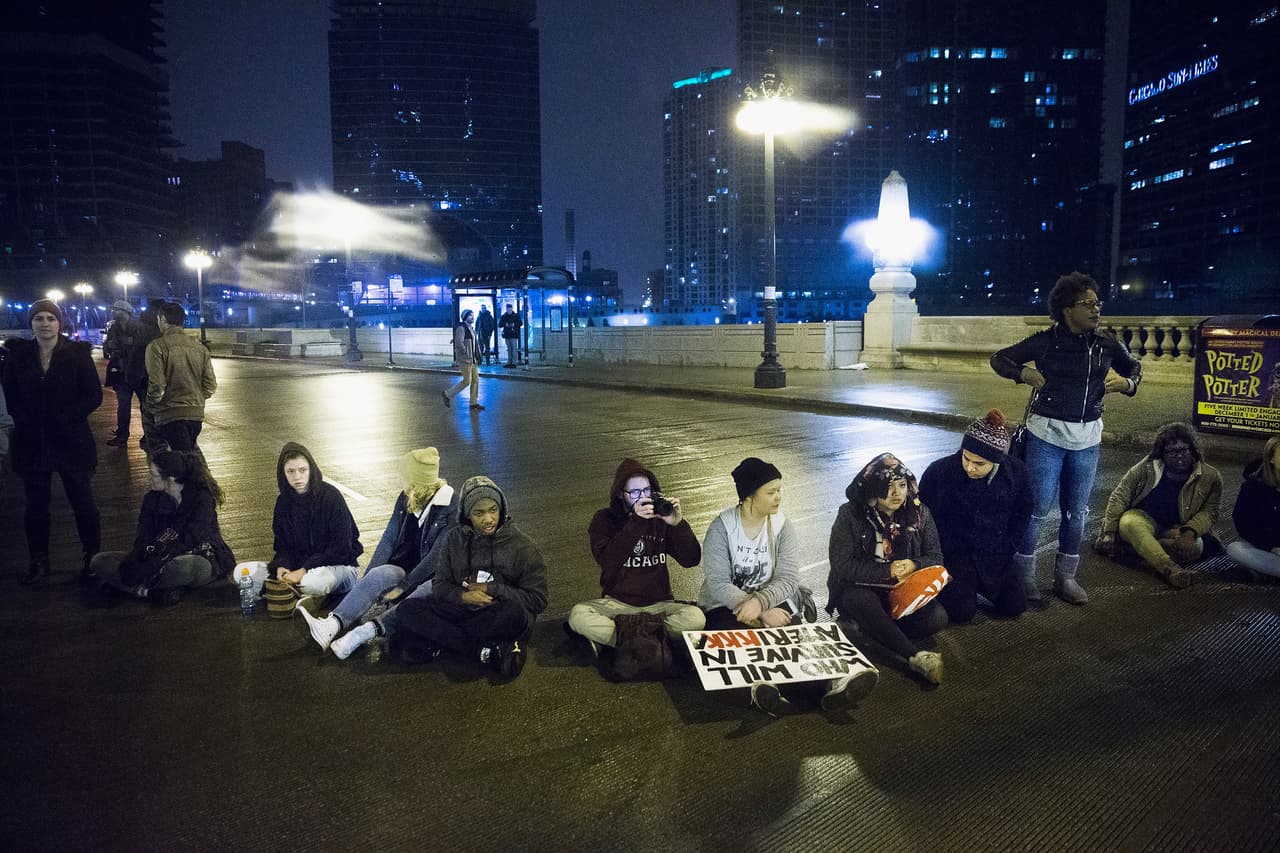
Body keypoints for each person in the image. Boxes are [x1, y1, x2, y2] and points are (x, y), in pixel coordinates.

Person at [990, 272, 1142, 605]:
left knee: (1077, 512)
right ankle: (1024, 578)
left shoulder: (1106, 343)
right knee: (1037, 509)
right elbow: (999, 358)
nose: (1096, 309)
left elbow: (1133, 367)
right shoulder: (1045, 341)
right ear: (1066, 309)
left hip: (1088, 437)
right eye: (1088, 303)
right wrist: (1023, 373)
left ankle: (1066, 578)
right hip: (1046, 433)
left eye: (1098, 303)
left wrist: (1129, 385)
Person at [701, 458, 876, 714]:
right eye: (770, 492)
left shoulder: (782, 526)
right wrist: (757, 609)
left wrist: (761, 604)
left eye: (779, 490)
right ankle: (760, 690)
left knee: (794, 643)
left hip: (769, 602)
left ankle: (833, 683)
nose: (778, 497)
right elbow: (718, 582)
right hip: (727, 605)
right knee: (738, 645)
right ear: (749, 496)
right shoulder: (722, 528)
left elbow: (788, 577)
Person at [296, 448, 459, 659]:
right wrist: (368, 578)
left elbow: (435, 558)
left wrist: (402, 587)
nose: (400, 480)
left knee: (420, 594)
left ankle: (363, 633)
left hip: (436, 577)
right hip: (407, 568)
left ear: (415, 482)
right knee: (379, 574)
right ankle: (332, 624)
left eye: (404, 476)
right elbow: (389, 538)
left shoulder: (450, 506)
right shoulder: (406, 497)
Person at [393, 476, 548, 678]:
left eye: (493, 510)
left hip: (496, 613)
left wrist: (493, 589)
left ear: (502, 509)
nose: (488, 519)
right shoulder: (453, 540)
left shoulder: (523, 547)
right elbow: (440, 585)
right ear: (467, 515)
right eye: (479, 513)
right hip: (462, 609)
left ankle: (442, 642)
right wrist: (462, 596)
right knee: (407, 609)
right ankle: (482, 650)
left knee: (514, 613)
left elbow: (537, 600)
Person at [1, 299, 102, 583]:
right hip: (32, 442)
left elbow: (93, 395)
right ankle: (39, 561)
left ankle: (92, 558)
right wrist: (24, 419)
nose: (45, 323)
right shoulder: (18, 356)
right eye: (39, 318)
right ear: (31, 323)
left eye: (50, 318)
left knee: (83, 502)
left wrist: (67, 417)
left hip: (71, 441)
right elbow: (10, 393)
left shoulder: (77, 354)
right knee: (35, 507)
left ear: (59, 323)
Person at [827, 453, 947, 685]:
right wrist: (887, 571)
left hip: (902, 591)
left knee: (938, 618)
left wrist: (915, 564)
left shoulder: (920, 512)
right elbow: (842, 566)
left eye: (902, 485)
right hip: (862, 589)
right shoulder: (850, 514)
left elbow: (936, 557)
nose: (897, 493)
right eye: (888, 487)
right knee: (859, 600)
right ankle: (915, 657)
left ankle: (869, 631)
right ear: (872, 489)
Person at [567, 458, 704, 658]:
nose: (642, 497)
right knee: (578, 615)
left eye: (646, 490)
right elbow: (608, 562)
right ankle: (659, 643)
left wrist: (678, 525)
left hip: (659, 604)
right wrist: (636, 523)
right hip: (618, 604)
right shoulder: (604, 520)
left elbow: (691, 559)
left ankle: (622, 642)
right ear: (620, 494)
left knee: (696, 618)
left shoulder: (661, 519)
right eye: (635, 492)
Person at [919, 410, 1032, 622]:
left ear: (996, 461)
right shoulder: (939, 471)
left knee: (1015, 606)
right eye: (966, 458)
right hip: (953, 556)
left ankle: (979, 587)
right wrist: (934, 558)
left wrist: (1010, 545)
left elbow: (1023, 511)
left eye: (980, 464)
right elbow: (922, 517)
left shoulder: (1017, 472)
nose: (970, 468)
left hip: (995, 555)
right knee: (961, 612)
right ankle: (962, 591)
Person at [92, 450, 235, 605]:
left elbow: (189, 539)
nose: (149, 479)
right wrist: (135, 559)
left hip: (198, 554)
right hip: (155, 553)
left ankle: (136, 588)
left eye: (153, 475)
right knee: (99, 561)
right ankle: (154, 591)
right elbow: (143, 535)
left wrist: (153, 565)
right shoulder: (151, 499)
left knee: (182, 568)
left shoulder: (201, 498)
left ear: (170, 479)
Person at [233, 442, 363, 604]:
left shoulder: (331, 497)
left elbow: (341, 548)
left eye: (302, 470)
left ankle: (297, 594)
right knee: (241, 572)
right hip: (297, 569)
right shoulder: (283, 502)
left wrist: (304, 570)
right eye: (290, 471)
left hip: (338, 568)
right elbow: (282, 546)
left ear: (311, 469)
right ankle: (298, 594)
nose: (297, 477)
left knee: (313, 582)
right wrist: (282, 566)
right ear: (283, 473)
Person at [1095, 423, 1222, 589]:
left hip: (1179, 528)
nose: (1179, 456)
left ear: (1193, 450)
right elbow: (1119, 497)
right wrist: (1109, 532)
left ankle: (1134, 548)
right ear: (1161, 453)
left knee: (1195, 548)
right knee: (1129, 523)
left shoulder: (1211, 476)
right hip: (1145, 519)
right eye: (1172, 452)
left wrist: (1189, 533)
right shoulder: (1146, 467)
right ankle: (1170, 569)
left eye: (1184, 450)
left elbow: (1210, 512)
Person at [145, 300, 216, 451]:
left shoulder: (156, 347)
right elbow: (210, 385)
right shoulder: (200, 348)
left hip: (170, 414)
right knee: (189, 454)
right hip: (196, 415)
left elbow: (157, 385)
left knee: (178, 459)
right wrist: (195, 399)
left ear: (162, 319)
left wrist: (150, 405)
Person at [1227, 435, 1280, 579]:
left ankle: (1264, 571)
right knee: (1234, 549)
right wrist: (1271, 547)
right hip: (1264, 546)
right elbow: (1243, 523)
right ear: (1271, 459)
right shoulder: (1253, 486)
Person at [126, 301, 164, 452]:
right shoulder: (164, 330)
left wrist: (132, 378)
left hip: (145, 378)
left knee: (148, 408)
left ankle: (151, 438)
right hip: (165, 379)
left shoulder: (142, 330)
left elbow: (136, 357)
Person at [102, 300, 140, 448]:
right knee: (123, 406)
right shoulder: (113, 328)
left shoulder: (138, 326)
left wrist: (122, 345)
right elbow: (109, 346)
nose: (113, 312)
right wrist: (111, 346)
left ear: (125, 312)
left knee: (146, 406)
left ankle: (150, 436)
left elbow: (139, 347)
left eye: (116, 309)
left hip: (138, 373)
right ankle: (122, 436)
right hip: (121, 373)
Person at [441, 308, 482, 410]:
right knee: (467, 381)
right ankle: (447, 394)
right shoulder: (461, 328)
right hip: (466, 359)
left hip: (473, 359)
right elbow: (459, 342)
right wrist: (465, 353)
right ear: (465, 317)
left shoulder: (471, 329)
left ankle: (473, 403)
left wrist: (478, 355)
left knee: (475, 380)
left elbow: (475, 344)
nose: (472, 317)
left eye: (473, 315)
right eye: (470, 315)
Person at [499, 302, 521, 367]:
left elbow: (520, 323)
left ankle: (513, 362)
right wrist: (504, 324)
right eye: (508, 310)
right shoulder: (504, 316)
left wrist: (514, 324)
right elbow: (500, 324)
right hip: (507, 334)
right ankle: (509, 362)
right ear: (506, 309)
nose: (509, 311)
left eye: (510, 310)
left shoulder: (516, 316)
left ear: (512, 309)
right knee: (509, 349)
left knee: (513, 348)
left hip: (513, 334)